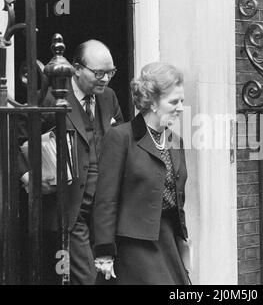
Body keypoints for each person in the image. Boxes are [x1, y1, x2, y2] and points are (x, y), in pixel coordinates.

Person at [20, 39, 124, 284]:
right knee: (84, 278)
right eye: (99, 73)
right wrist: (28, 177)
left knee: (104, 278)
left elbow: (120, 138)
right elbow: (16, 137)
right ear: (77, 68)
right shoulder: (50, 97)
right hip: (68, 206)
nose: (106, 79)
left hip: (102, 208)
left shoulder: (109, 97)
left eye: (110, 72)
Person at [92, 62, 190, 285]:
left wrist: (183, 240)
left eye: (182, 101)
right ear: (153, 103)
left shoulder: (175, 141)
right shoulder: (121, 137)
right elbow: (106, 199)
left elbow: (178, 197)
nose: (181, 107)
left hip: (167, 240)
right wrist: (104, 251)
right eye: (174, 101)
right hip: (134, 245)